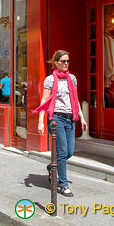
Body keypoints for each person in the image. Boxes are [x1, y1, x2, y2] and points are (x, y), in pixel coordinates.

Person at [34, 50, 87, 197]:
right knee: (62, 151)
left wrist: (81, 117)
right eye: (63, 61)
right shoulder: (50, 80)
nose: (66, 64)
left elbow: (75, 99)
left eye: (68, 61)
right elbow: (44, 101)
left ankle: (52, 167)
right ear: (56, 62)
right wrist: (41, 121)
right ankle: (63, 184)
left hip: (70, 118)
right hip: (56, 118)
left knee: (69, 151)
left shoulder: (72, 78)